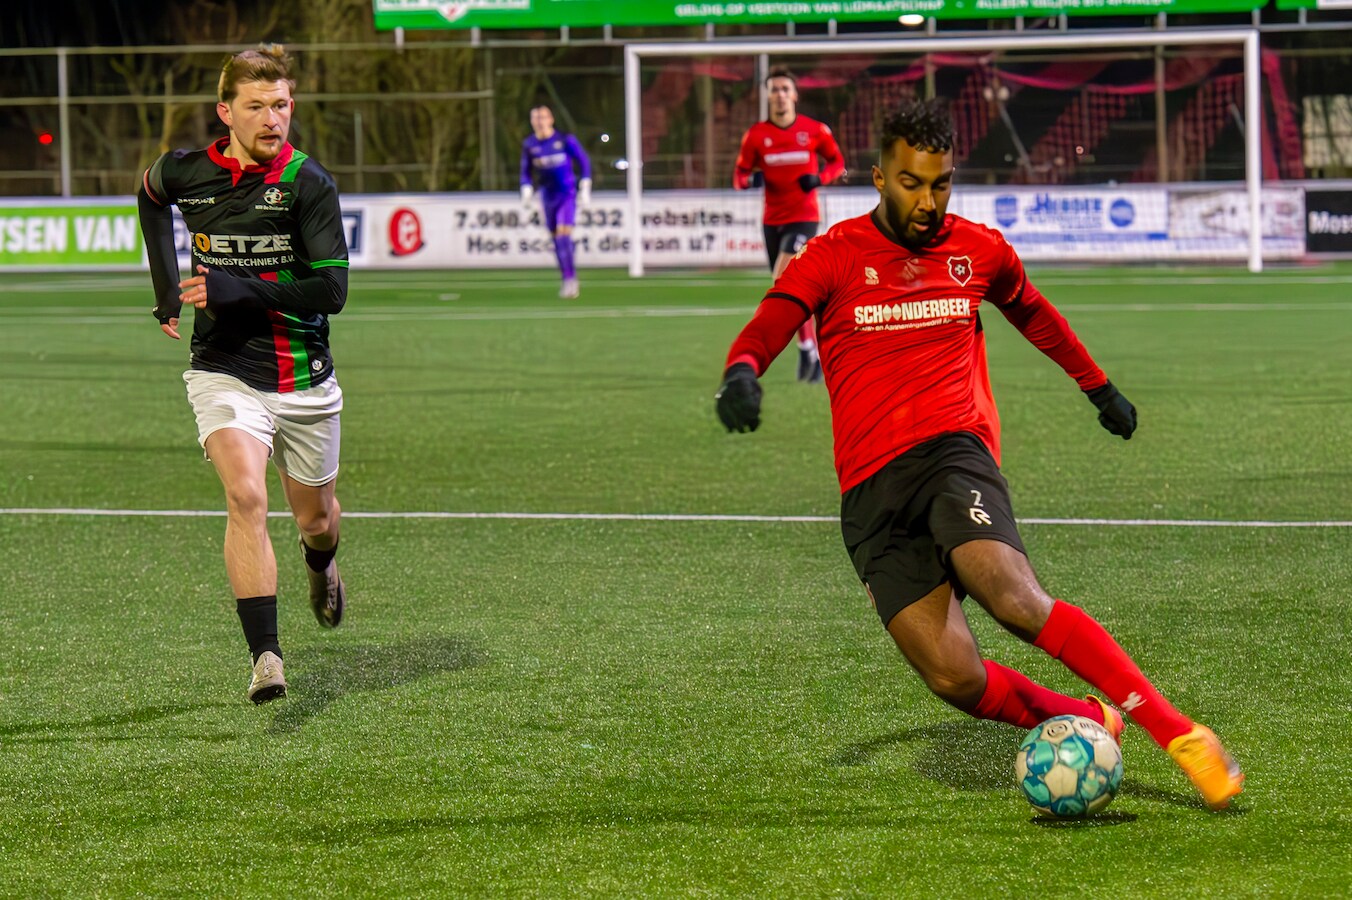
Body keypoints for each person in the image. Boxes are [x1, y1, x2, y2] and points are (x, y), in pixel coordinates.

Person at [714, 98, 1243, 810]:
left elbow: (1034, 312)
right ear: (878, 177)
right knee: (954, 678)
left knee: (1012, 595)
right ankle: (1088, 718)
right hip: (871, 489)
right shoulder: (835, 255)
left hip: (952, 453)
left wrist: (1098, 388)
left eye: (941, 183)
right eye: (912, 183)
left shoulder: (978, 250)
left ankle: (1180, 735)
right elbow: (774, 318)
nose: (928, 201)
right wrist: (743, 369)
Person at [137, 43, 349, 704]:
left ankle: (321, 565)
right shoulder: (187, 172)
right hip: (222, 370)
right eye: (256, 106)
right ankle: (266, 656)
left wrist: (240, 287)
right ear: (225, 111)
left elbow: (331, 291)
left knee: (315, 518)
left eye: (281, 105)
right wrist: (167, 286)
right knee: (247, 498)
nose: (272, 118)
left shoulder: (309, 184)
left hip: (304, 377)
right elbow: (148, 197)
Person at [733, 67, 846, 384]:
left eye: (785, 88)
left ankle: (811, 347)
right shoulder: (756, 135)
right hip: (772, 221)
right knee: (788, 287)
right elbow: (738, 175)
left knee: (783, 276)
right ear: (768, 96)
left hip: (804, 218)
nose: (780, 94)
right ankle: (808, 347)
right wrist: (750, 179)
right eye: (774, 89)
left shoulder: (814, 130)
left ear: (795, 95)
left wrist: (820, 178)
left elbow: (838, 163)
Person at [520, 104, 592, 299]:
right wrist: (526, 189)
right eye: (536, 118)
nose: (540, 122)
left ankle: (571, 279)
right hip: (547, 196)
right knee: (555, 240)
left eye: (543, 117)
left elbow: (584, 161)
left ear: (551, 119)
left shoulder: (564, 140)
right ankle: (566, 277)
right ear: (532, 122)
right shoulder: (530, 145)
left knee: (563, 235)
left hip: (566, 194)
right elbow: (525, 171)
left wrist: (585, 186)